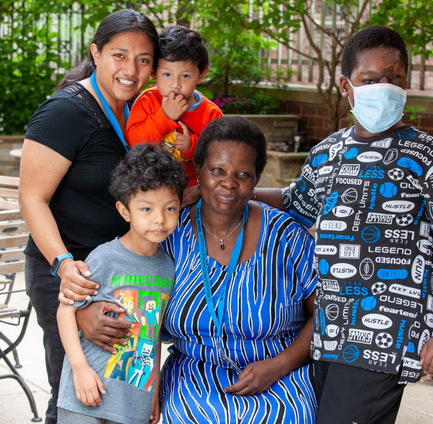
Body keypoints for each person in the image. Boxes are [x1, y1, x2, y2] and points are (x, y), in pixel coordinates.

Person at [255, 25, 433, 423]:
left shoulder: (431, 158)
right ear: (346, 86)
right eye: (370, 79)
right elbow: (294, 203)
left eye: (394, 79)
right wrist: (228, 190)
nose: (384, 87)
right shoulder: (328, 153)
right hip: (327, 329)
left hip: (389, 334)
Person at [65, 116, 318, 423]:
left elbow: (324, 315)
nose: (229, 182)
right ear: (198, 171)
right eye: (217, 171)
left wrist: (279, 366)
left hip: (279, 377)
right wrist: (82, 311)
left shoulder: (286, 236)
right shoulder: (169, 233)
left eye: (243, 174)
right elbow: (121, 276)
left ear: (257, 178)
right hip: (193, 377)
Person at [18, 9, 160, 423]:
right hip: (65, 272)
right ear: (96, 54)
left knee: (112, 396)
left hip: (115, 274)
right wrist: (65, 268)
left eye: (144, 59)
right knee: (71, 396)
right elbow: (32, 198)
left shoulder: (138, 110)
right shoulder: (66, 112)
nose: (131, 70)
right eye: (119, 55)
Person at [56, 144, 186, 424]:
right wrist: (79, 369)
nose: (159, 219)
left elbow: (152, 333)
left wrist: (154, 392)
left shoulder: (169, 267)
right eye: (146, 208)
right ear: (125, 211)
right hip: (85, 396)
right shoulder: (104, 258)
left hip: (133, 406)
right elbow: (65, 310)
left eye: (170, 208)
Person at [126, 25, 223, 188]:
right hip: (150, 188)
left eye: (185, 76)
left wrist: (192, 146)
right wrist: (165, 116)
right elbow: (135, 143)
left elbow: (218, 155)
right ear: (154, 73)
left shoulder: (210, 114)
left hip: (191, 189)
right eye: (167, 75)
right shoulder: (147, 101)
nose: (175, 85)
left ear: (201, 75)